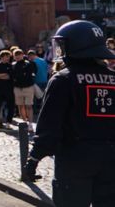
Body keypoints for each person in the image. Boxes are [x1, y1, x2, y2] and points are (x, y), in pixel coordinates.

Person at [23, 20, 115, 206]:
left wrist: (34, 159)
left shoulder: (64, 79)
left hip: (75, 159)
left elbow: (50, 125)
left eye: (63, 46)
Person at [11, 49, 38, 128]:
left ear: (23, 55)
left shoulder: (29, 63)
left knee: (29, 106)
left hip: (28, 87)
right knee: (20, 106)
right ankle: (24, 122)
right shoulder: (13, 65)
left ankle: (30, 123)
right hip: (17, 88)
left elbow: (34, 73)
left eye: (19, 55)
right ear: (14, 56)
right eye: (16, 55)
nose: (18, 56)